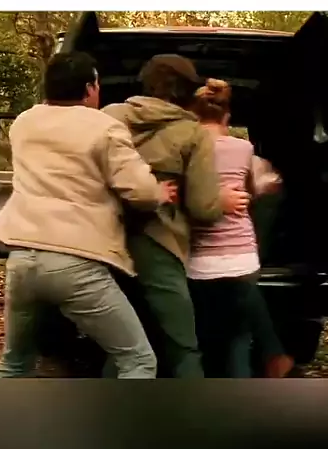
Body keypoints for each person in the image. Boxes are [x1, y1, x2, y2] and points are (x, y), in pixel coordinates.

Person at [0, 51, 178, 379]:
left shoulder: (24, 123)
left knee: (14, 364)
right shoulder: (104, 127)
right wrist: (160, 193)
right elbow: (141, 192)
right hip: (75, 264)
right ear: (90, 88)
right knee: (138, 360)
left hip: (22, 261)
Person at [103, 55, 250, 378]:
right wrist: (221, 201)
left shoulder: (109, 116)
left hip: (103, 240)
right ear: (187, 90)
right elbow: (202, 208)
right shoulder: (192, 133)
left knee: (123, 346)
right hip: (158, 244)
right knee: (182, 345)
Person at [187, 78, 295, 378]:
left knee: (207, 338)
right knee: (238, 335)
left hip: (199, 262)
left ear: (193, 115)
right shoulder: (244, 148)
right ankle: (269, 359)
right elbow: (252, 189)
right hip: (242, 257)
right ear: (227, 116)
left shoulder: (186, 148)